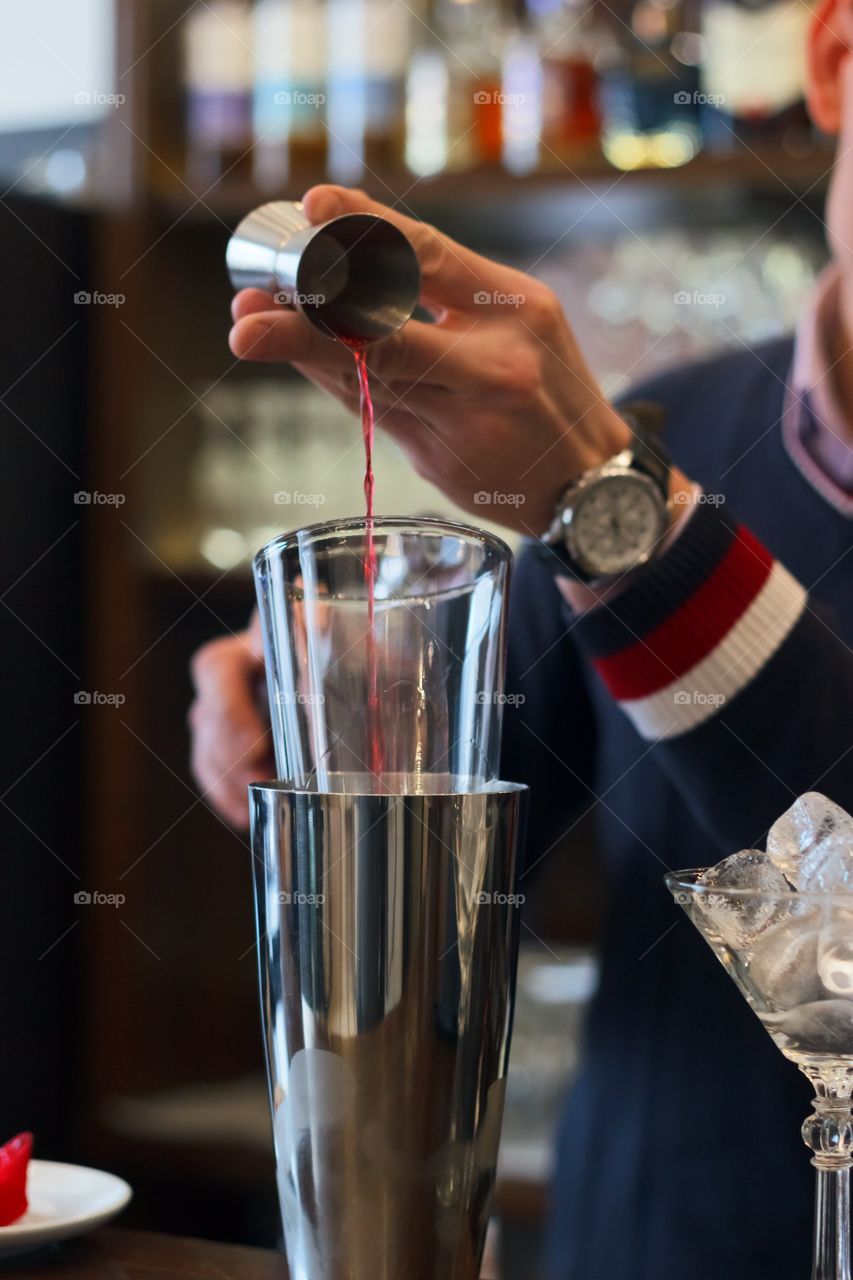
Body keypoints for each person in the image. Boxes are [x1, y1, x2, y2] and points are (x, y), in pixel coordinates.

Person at [188, 1, 853, 1274]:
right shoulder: (677, 426)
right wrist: (338, 703)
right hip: (636, 1239)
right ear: (830, 63)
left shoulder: (623, 468)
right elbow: (495, 814)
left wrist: (618, 520)